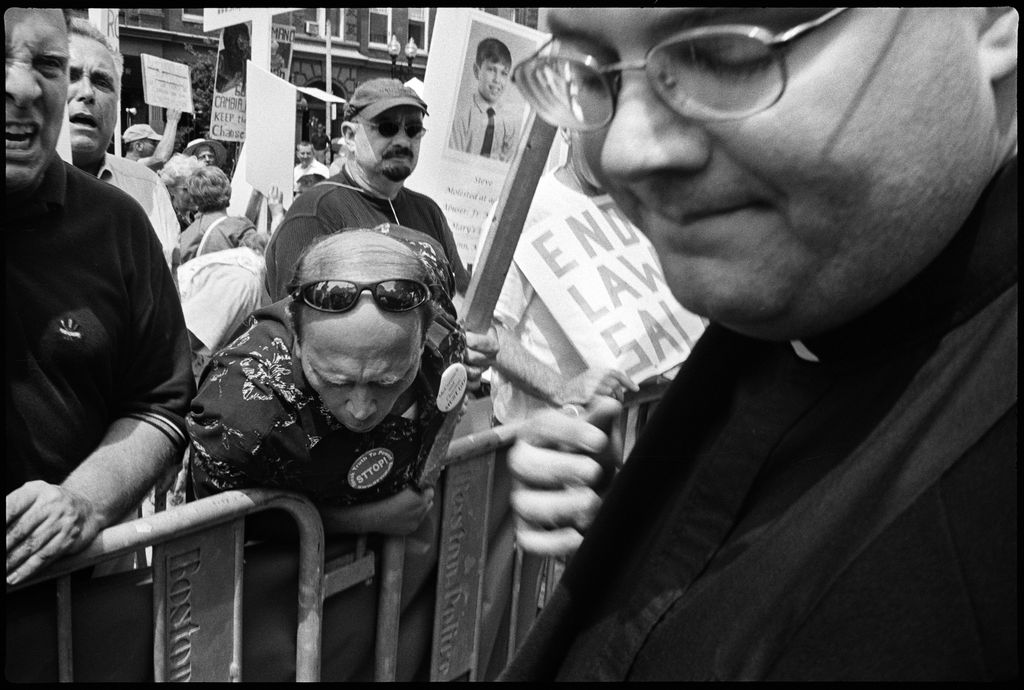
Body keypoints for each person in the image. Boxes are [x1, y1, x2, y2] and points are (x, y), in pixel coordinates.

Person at [501, 7, 1017, 681]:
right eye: (590, 73)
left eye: (726, 53)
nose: (627, 150)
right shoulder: (797, 311)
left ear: (990, 24)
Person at [188, 228, 465, 681]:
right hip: (264, 628)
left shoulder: (443, 344)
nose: (361, 409)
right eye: (335, 381)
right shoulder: (240, 409)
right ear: (296, 333)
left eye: (388, 380)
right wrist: (369, 518)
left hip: (384, 612)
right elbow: (209, 531)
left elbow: (450, 400)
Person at [6, 8, 194, 590]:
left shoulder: (120, 223)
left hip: (81, 613)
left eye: (47, 64)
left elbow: (159, 403)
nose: (21, 86)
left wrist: (83, 500)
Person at [265, 78, 470, 301]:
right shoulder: (315, 213)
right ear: (350, 136)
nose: (402, 140)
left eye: (413, 130)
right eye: (387, 128)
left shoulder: (429, 211)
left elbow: (460, 298)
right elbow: (293, 320)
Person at [64, 17, 180, 271]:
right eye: (70, 75)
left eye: (101, 82)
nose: (87, 92)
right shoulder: (17, 186)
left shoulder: (148, 186)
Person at [449, 37, 519, 162]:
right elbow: (452, 161)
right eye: (491, 70)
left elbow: (508, 166)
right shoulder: (461, 116)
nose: (497, 80)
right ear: (477, 71)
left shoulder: (509, 123)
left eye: (503, 73)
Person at [178, 165, 259, 264]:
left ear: (194, 198)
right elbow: (265, 262)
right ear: (227, 190)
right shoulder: (239, 229)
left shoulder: (185, 236)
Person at [122, 107, 181, 172]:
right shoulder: (133, 165)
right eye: (153, 143)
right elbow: (161, 158)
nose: (157, 146)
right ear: (138, 146)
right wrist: (172, 121)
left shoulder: (122, 165)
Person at [159, 151, 206, 231]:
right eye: (187, 189)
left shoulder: (194, 216)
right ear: (171, 190)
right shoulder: (168, 220)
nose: (194, 193)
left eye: (197, 187)